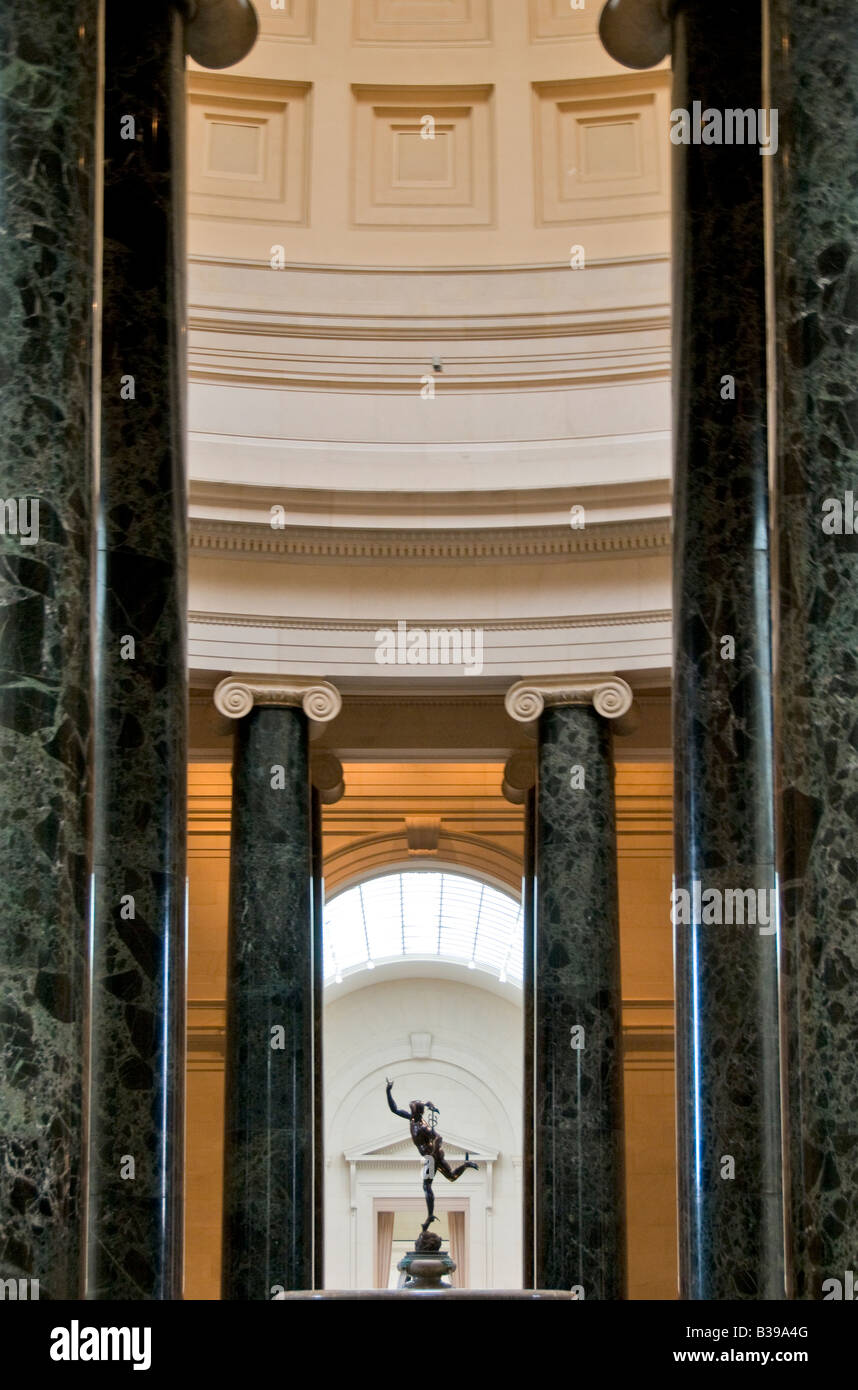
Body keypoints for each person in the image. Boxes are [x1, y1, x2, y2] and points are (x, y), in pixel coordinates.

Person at [385, 1077, 478, 1231]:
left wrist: (434, 1150)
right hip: (433, 1156)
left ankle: (430, 1215)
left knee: (427, 1186)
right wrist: (388, 1091)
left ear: (416, 1112)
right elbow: (394, 1109)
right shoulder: (413, 1120)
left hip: (431, 1157)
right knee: (451, 1177)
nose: (410, 1112)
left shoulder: (422, 1127)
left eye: (412, 1109)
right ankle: (466, 1165)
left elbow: (439, 1138)